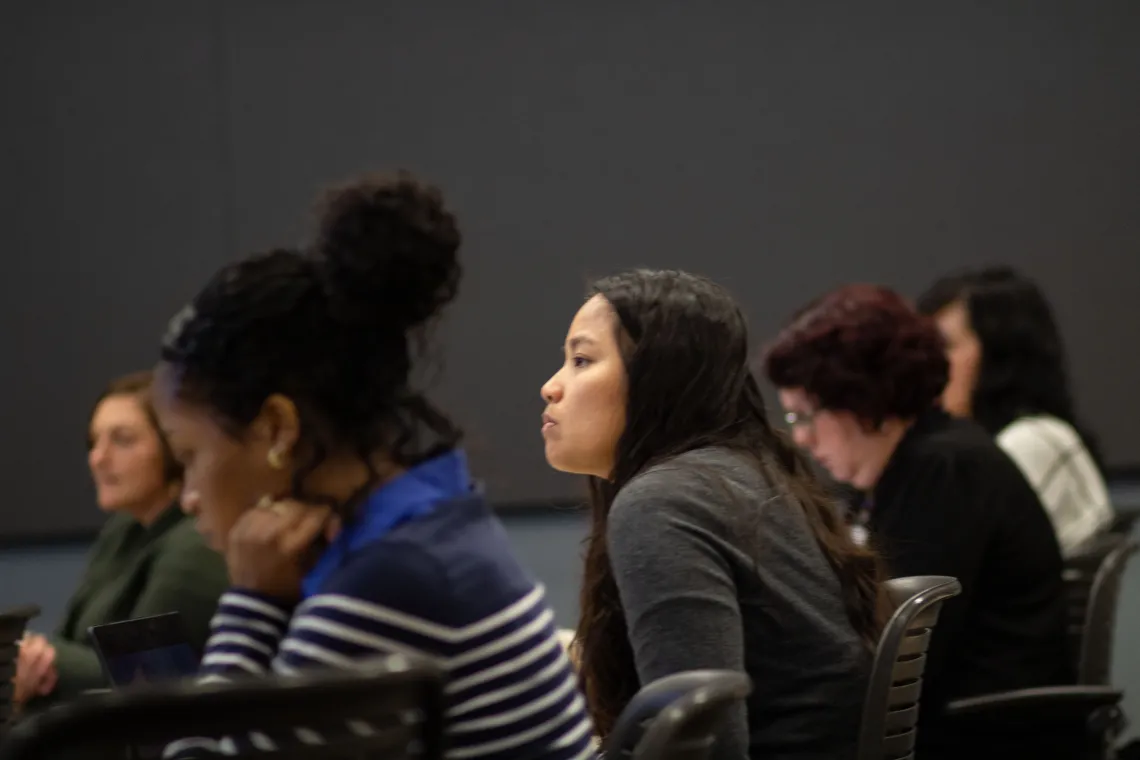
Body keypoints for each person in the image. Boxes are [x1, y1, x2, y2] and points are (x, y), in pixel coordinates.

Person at [153, 171, 593, 760]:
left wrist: (253, 605)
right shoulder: (436, 524)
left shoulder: (388, 582)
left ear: (278, 429)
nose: (187, 495)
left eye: (190, 458)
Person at [540, 269, 887, 760]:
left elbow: (700, 744)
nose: (551, 388)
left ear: (656, 377)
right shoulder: (742, 476)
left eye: (581, 360)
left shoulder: (663, 501)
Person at [764, 283, 1071, 756]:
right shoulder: (915, 466)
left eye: (806, 414)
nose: (801, 438)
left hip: (982, 738)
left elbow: (893, 650)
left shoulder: (944, 470)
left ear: (865, 401)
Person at [13, 371, 227, 710]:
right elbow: (71, 637)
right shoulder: (122, 529)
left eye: (123, 440)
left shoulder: (194, 543)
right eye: (94, 442)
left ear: (174, 446)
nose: (99, 458)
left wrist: (48, 659)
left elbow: (153, 681)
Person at [917, 266, 1113, 555]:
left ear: (1001, 357)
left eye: (945, 346)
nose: (927, 363)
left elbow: (949, 565)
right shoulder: (1039, 434)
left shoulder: (1029, 443)